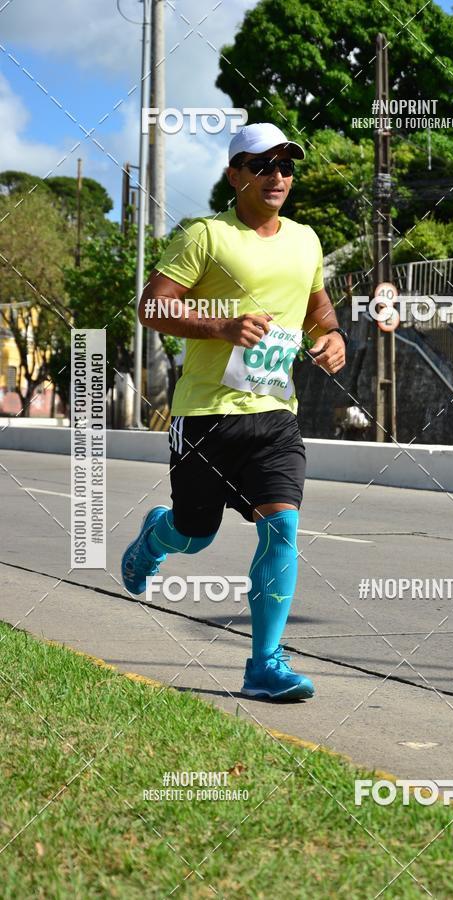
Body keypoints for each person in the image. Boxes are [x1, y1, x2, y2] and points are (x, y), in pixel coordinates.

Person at [121, 122, 348, 701]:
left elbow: (319, 308)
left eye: (287, 165)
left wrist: (334, 337)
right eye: (263, 165)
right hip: (204, 416)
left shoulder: (305, 240)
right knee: (195, 534)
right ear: (236, 175)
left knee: (284, 529)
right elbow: (152, 306)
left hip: (276, 415)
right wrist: (219, 325)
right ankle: (157, 536)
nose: (278, 176)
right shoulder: (206, 236)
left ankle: (264, 665)